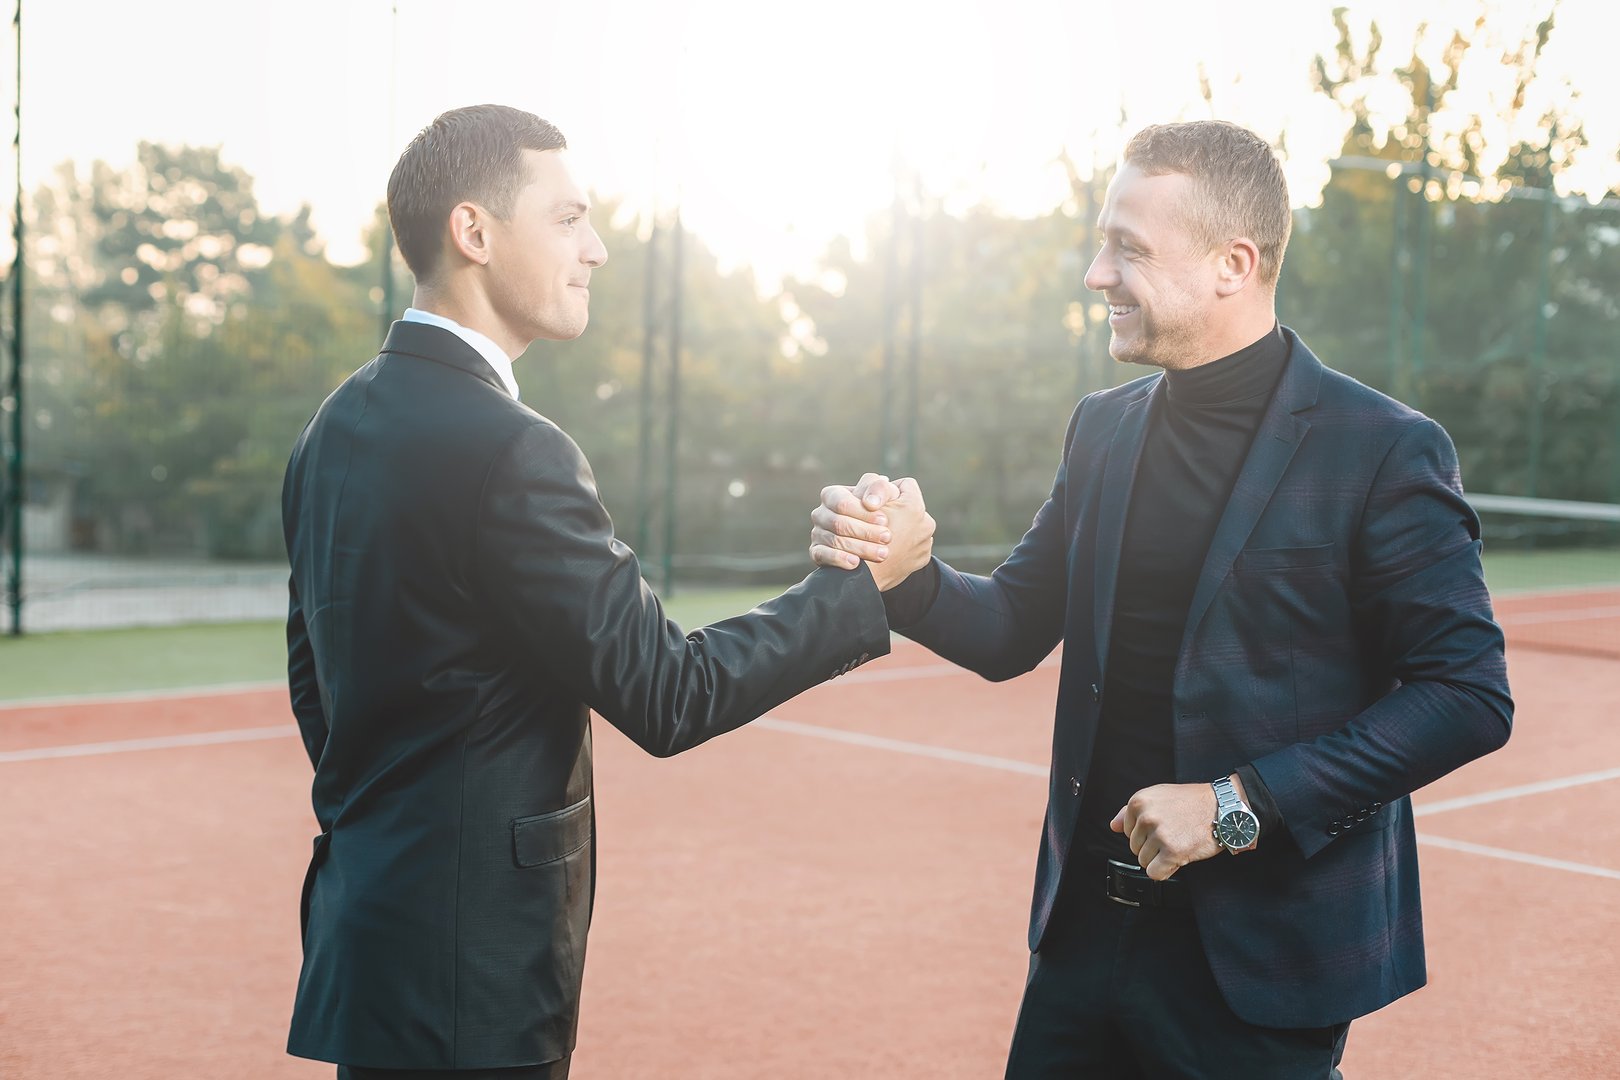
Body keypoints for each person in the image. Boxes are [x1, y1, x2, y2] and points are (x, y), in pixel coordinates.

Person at [811, 120, 1512, 1077]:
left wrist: (1236, 806)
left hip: (1262, 966)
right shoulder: (1102, 430)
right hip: (1083, 936)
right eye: (1103, 242)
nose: (1097, 274)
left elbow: (1467, 695)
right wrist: (908, 577)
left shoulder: (1383, 449)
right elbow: (1012, 625)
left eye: (1128, 248)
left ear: (1234, 263)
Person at [281, 104, 934, 1080]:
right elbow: (670, 693)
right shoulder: (514, 450)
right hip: (477, 977)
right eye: (569, 217)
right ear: (474, 232)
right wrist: (861, 588)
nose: (597, 248)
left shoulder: (330, 431)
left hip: (373, 954)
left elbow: (311, 684)